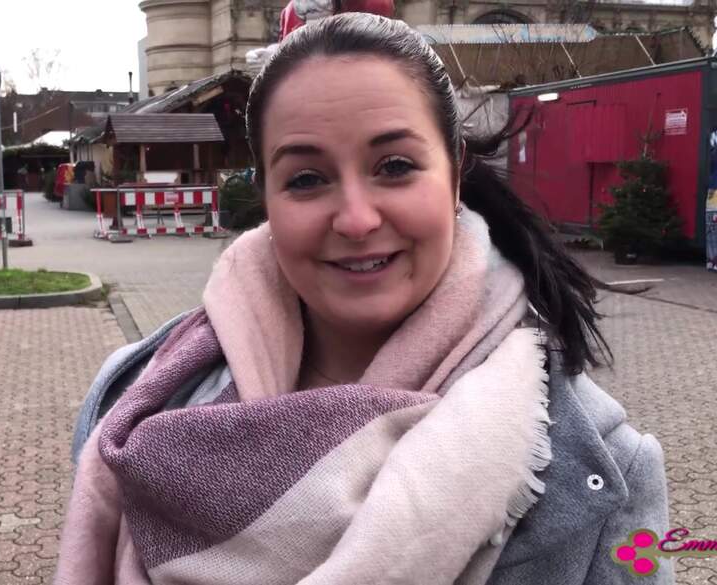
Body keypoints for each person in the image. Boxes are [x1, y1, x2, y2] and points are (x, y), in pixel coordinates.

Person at [54, 14, 672, 585]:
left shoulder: (609, 467)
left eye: (395, 166)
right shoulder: (132, 400)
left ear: (455, 172)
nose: (355, 219)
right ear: (264, 195)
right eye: (306, 179)